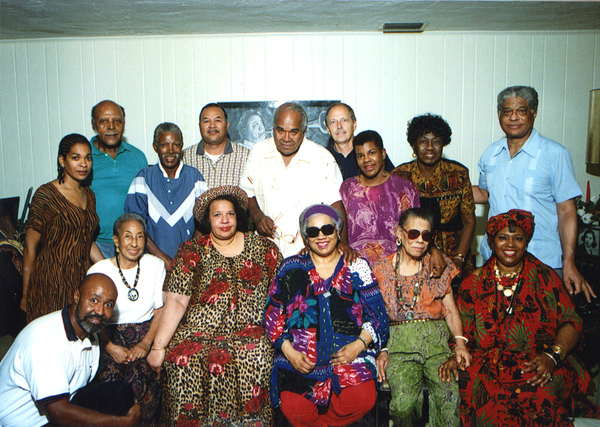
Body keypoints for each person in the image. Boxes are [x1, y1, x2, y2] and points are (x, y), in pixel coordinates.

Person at [439, 209, 600, 426]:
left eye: (518, 238)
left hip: (538, 361)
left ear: (527, 242)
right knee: (469, 385)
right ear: (492, 242)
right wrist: (454, 355)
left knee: (544, 392)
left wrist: (553, 357)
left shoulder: (546, 277)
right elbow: (462, 334)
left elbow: (571, 321)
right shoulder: (473, 283)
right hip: (488, 364)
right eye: (503, 237)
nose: (510, 244)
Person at [147, 186, 282, 426]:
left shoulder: (264, 248)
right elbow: (177, 300)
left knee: (257, 354)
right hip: (199, 331)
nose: (224, 220)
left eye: (229, 214)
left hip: (251, 330)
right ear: (207, 220)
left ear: (238, 216)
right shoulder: (191, 250)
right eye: (217, 215)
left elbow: (281, 295)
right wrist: (159, 347)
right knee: (180, 360)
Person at [265, 204, 389, 427]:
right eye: (313, 231)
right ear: (305, 237)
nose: (321, 236)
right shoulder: (290, 268)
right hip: (301, 362)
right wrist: (289, 352)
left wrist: (359, 345)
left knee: (363, 399)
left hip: (349, 358)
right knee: (294, 408)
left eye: (327, 229)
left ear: (338, 231)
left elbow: (378, 316)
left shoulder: (357, 266)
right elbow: (273, 316)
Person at [472, 86, 595, 301]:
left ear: (534, 112)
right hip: (495, 260)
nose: (514, 118)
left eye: (521, 111)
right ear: (499, 114)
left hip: (542, 260)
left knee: (542, 331)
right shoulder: (491, 154)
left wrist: (569, 261)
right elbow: (485, 193)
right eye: (507, 111)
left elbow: (567, 211)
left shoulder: (555, 154)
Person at [0, 273, 141, 427]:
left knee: (121, 392)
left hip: (57, 410)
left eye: (108, 305)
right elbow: (59, 414)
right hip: (24, 422)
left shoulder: (90, 335)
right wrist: (121, 423)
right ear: (76, 296)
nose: (100, 311)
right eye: (94, 300)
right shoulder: (45, 339)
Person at [373, 208, 470, 427]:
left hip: (437, 347)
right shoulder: (380, 269)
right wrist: (383, 349)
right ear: (400, 233)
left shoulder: (438, 265)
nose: (419, 240)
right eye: (413, 233)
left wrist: (460, 343)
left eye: (426, 235)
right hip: (399, 346)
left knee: (449, 399)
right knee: (403, 405)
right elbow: (374, 316)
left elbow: (452, 310)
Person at [241, 102, 349, 258]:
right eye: (280, 130)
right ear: (273, 128)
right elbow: (247, 192)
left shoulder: (321, 157)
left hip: (309, 250)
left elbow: (335, 204)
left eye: (293, 132)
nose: (286, 138)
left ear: (303, 131)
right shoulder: (259, 152)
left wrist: (343, 243)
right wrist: (257, 216)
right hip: (267, 247)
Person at [87, 213, 165, 423]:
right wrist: (109, 346)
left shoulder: (155, 265)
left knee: (141, 381)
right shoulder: (99, 270)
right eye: (128, 236)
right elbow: (92, 317)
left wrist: (146, 344)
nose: (134, 243)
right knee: (110, 382)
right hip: (107, 335)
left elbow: (159, 311)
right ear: (116, 240)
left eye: (140, 237)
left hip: (146, 334)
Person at [21, 133, 103, 323]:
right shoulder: (46, 195)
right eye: (76, 158)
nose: (83, 164)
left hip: (80, 279)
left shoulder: (89, 195)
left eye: (87, 158)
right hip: (50, 280)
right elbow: (29, 247)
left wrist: (110, 268)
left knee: (77, 335)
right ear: (62, 160)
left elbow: (86, 239)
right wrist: (26, 294)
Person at [394, 114, 476, 277]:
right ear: (413, 146)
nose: (430, 147)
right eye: (423, 141)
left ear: (443, 144)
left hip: (455, 255)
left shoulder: (458, 174)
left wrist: (459, 259)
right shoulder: (400, 176)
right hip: (413, 255)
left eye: (436, 141)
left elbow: (469, 221)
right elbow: (396, 223)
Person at [125, 122, 207, 269]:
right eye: (164, 145)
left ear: (181, 146)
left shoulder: (195, 178)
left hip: (188, 263)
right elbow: (135, 225)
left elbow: (204, 223)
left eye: (175, 145)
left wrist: (187, 255)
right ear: (155, 147)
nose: (170, 151)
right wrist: (161, 258)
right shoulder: (143, 178)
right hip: (150, 262)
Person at [340, 130, 420, 264]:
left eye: (371, 153)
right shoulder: (347, 188)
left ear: (383, 154)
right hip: (356, 269)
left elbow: (415, 229)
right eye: (360, 155)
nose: (366, 160)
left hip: (395, 266)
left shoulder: (404, 188)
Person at [90, 100, 148, 258]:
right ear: (93, 124)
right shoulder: (84, 157)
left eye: (117, 121)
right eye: (104, 121)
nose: (111, 127)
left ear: (124, 123)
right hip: (95, 244)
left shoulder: (137, 157)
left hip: (133, 245)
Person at [182, 103, 250, 188]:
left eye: (217, 120)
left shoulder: (246, 156)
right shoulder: (185, 158)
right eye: (206, 121)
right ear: (199, 126)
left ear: (227, 125)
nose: (212, 125)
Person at [325, 102, 394, 180]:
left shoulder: (371, 152)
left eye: (344, 120)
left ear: (354, 123)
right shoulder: (322, 156)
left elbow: (393, 183)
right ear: (328, 128)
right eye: (333, 122)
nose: (339, 126)